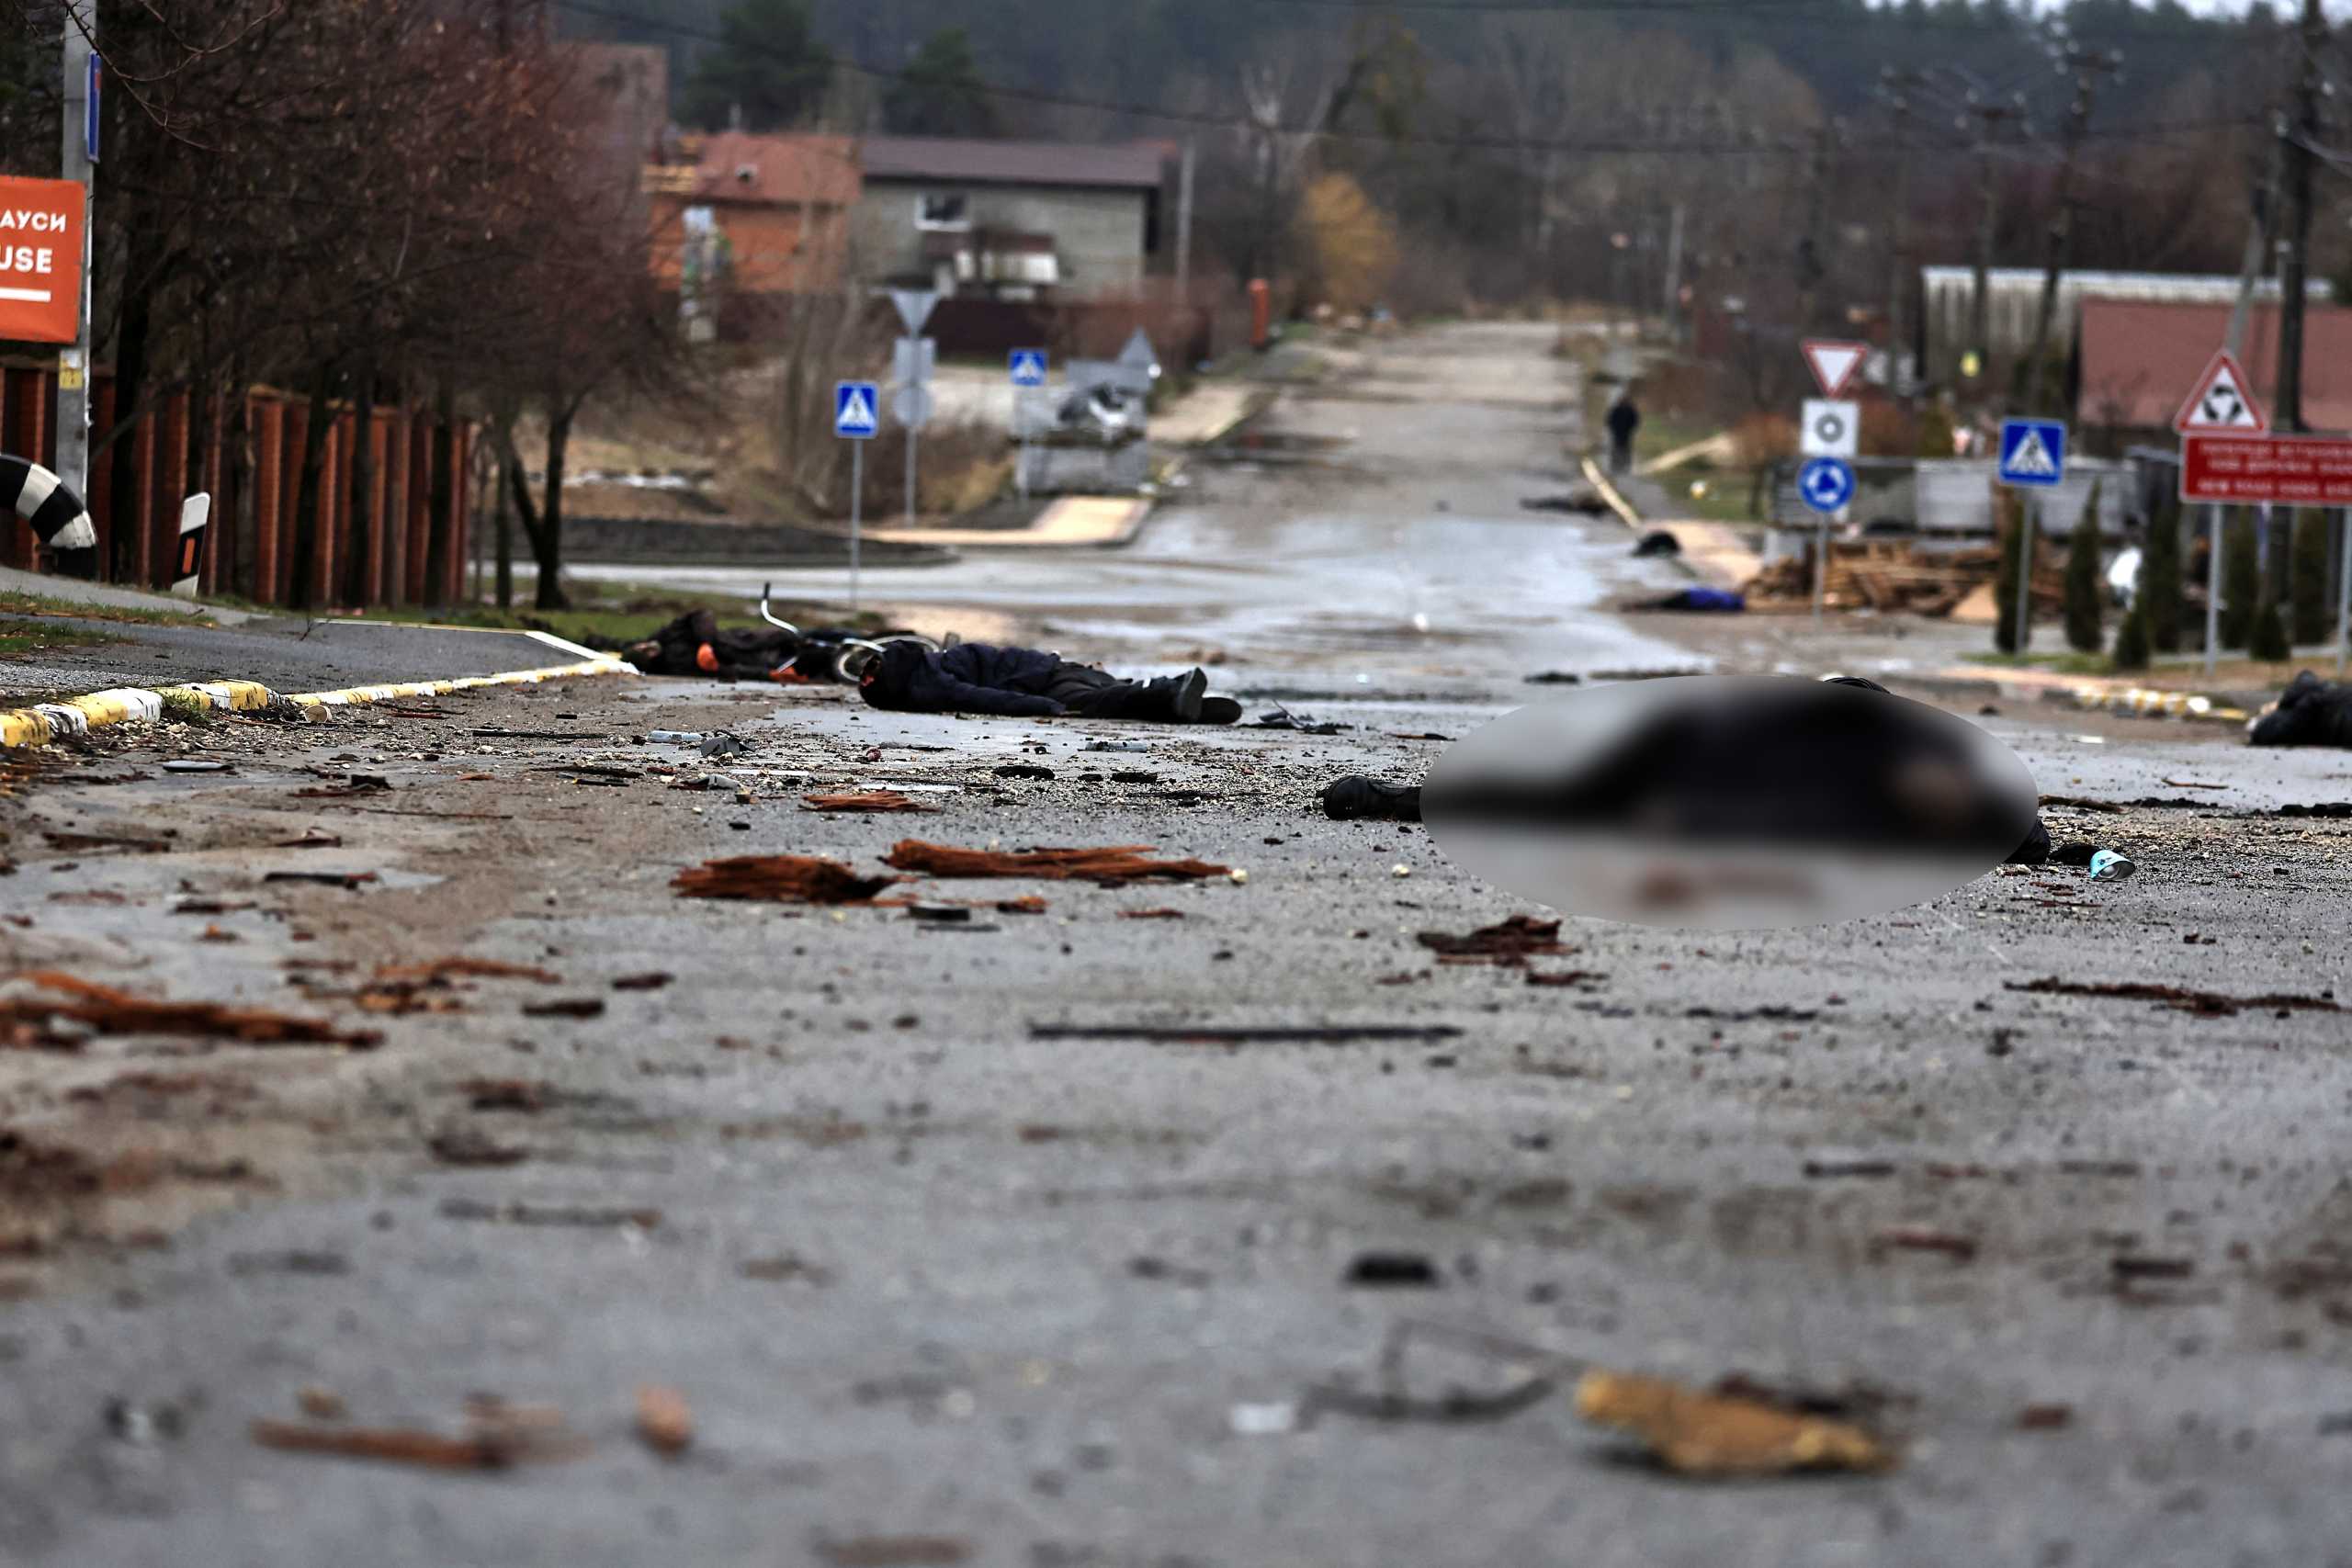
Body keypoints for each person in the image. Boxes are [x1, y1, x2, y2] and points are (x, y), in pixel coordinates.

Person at [854, 640, 1241, 724]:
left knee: (1094, 706)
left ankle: (1168, 688)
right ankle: (1175, 705)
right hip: (1058, 668)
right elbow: (982, 693)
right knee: (1103, 694)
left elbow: (983, 698)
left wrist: (1044, 707)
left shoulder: (926, 683)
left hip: (1046, 680)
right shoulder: (929, 664)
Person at [1605, 393, 1641, 475]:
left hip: (1626, 433)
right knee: (1616, 449)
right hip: (1617, 432)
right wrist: (1613, 429)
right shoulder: (1616, 410)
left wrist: (1630, 429)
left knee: (1625, 449)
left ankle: (1625, 466)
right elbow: (1609, 421)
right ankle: (1615, 466)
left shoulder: (1630, 410)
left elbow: (1635, 421)